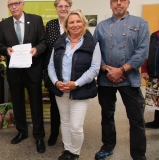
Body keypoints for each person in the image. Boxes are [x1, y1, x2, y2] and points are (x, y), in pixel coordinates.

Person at [93, 0, 150, 159]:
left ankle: (139, 155)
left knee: (137, 118)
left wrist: (122, 70)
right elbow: (94, 51)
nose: (118, 3)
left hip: (130, 78)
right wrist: (106, 69)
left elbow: (142, 52)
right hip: (106, 78)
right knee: (107, 115)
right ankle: (108, 146)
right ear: (110, 5)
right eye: (114, 1)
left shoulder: (140, 23)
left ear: (128, 3)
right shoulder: (101, 26)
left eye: (122, 0)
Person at [48, 9, 101, 160]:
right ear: (66, 25)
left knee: (76, 126)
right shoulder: (59, 42)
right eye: (71, 22)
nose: (75, 25)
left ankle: (75, 153)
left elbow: (94, 69)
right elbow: (51, 65)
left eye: (78, 21)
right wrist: (56, 82)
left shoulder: (92, 44)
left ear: (84, 23)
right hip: (61, 89)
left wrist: (76, 84)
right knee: (64, 121)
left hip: (80, 90)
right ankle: (67, 150)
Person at [0, 0, 46, 153]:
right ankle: (22, 131)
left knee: (36, 104)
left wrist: (36, 50)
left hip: (33, 70)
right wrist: (7, 50)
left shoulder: (36, 19)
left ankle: (39, 136)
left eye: (17, 3)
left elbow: (43, 42)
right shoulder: (4, 24)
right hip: (15, 71)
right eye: (11, 4)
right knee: (18, 103)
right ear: (8, 7)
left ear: (23, 4)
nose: (14, 6)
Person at [43, 0, 72, 146]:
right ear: (56, 8)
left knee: (73, 106)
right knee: (55, 106)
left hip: (72, 74)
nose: (63, 8)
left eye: (66, 6)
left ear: (70, 8)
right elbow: (46, 48)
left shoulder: (75, 22)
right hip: (53, 73)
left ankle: (71, 135)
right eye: (60, 6)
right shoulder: (51, 25)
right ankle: (54, 133)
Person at [141, 30, 159, 129]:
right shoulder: (153, 36)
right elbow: (146, 53)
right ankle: (157, 121)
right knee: (154, 100)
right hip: (153, 74)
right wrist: (144, 70)